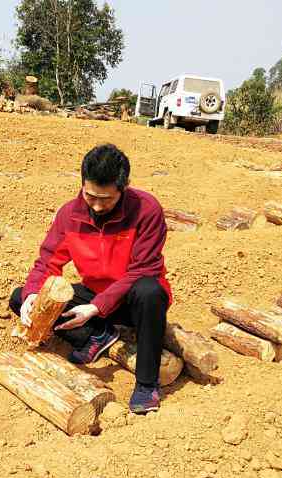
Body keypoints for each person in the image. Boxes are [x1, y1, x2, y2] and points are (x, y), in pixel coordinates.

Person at [9, 144, 172, 414]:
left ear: (124, 187)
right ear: (82, 184)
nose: (96, 205)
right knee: (19, 297)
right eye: (90, 196)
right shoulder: (69, 214)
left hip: (133, 302)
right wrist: (33, 296)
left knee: (149, 291)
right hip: (94, 295)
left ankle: (146, 384)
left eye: (106, 199)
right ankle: (95, 335)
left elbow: (143, 269)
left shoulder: (147, 210)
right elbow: (48, 261)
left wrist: (96, 307)